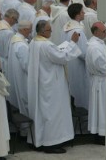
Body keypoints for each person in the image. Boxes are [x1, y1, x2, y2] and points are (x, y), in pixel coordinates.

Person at [27, 20, 81, 153]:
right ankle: (51, 143)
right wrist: (73, 42)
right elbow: (62, 57)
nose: (51, 32)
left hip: (42, 82)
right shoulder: (46, 45)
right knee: (53, 113)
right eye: (49, 30)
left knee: (44, 112)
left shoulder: (34, 42)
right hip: (52, 84)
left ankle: (40, 139)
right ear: (42, 31)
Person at [7, 20, 32, 117]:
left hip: (17, 75)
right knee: (26, 102)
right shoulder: (21, 45)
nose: (30, 32)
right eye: (30, 30)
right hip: (23, 78)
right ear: (25, 29)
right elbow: (27, 65)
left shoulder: (15, 39)